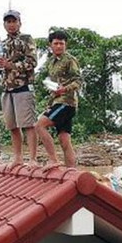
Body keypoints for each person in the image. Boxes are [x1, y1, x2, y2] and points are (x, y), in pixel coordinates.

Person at [0, 10, 38, 168]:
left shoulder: (27, 39)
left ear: (20, 23)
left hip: (23, 86)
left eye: (14, 21)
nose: (11, 24)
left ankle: (33, 158)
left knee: (28, 124)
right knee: (12, 126)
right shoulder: (2, 44)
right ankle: (18, 157)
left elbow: (32, 62)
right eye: (8, 22)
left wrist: (10, 65)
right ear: (4, 24)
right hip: (7, 88)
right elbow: (0, 68)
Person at [35, 30, 82, 169]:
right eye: (56, 43)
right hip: (57, 102)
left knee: (39, 125)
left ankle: (53, 160)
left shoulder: (70, 60)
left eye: (62, 43)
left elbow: (78, 81)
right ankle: (71, 172)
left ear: (65, 44)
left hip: (66, 103)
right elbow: (54, 86)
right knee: (64, 140)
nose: (59, 46)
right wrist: (49, 104)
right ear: (50, 45)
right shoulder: (51, 63)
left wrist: (64, 89)